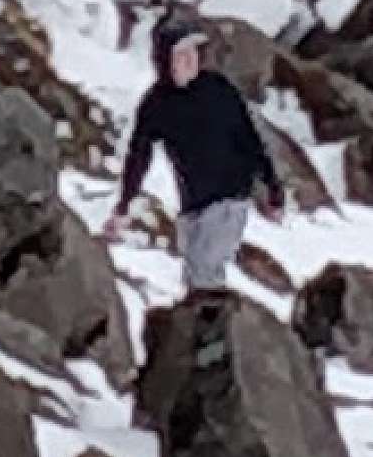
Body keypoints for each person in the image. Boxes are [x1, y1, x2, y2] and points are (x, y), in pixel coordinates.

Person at [103, 23, 282, 297]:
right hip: (192, 205)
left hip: (230, 197)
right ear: (165, 61)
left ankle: (217, 321)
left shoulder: (218, 89)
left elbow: (250, 139)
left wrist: (273, 188)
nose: (190, 60)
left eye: (193, 53)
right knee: (193, 277)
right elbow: (138, 156)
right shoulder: (156, 104)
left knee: (205, 273)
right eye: (181, 54)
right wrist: (124, 204)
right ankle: (211, 319)